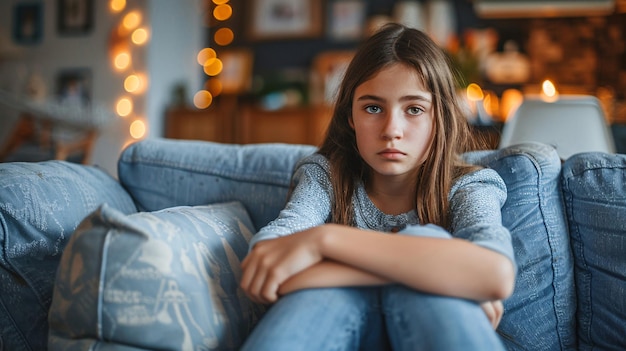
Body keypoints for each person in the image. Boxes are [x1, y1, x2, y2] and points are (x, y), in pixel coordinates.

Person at [239, 23, 516, 350]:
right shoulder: (326, 176)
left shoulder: (468, 185)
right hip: (337, 323)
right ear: (351, 116)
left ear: (439, 117)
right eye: (373, 108)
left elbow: (495, 273)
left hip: (429, 322)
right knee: (417, 259)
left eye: (414, 109)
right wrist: (444, 273)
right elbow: (266, 266)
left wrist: (323, 241)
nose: (391, 130)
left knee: (426, 241)